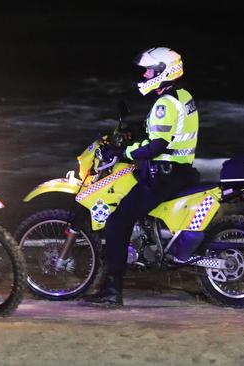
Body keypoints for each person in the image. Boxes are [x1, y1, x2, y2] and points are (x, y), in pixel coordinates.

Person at [83, 47, 200, 306]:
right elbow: (167, 134)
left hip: (163, 176)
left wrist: (123, 151)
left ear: (163, 72)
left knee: (116, 222)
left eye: (149, 70)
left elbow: (156, 146)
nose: (145, 74)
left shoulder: (164, 104)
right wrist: (134, 136)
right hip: (181, 171)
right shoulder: (183, 95)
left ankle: (113, 291)